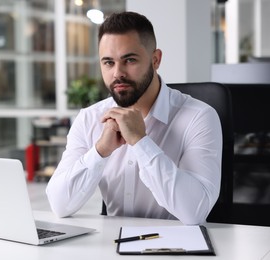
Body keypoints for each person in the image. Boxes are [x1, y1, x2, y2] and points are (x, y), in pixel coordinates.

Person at [46, 11, 222, 225]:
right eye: (108, 63)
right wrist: (100, 151)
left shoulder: (199, 117)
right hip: (111, 247)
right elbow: (59, 204)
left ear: (155, 60)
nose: (118, 73)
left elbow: (194, 212)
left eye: (129, 60)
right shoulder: (89, 118)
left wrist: (141, 142)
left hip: (176, 250)